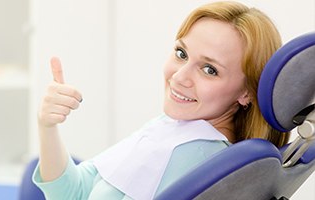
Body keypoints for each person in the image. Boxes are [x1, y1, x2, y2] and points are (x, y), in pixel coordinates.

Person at [33, 1, 291, 199]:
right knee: (34, 168)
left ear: (246, 92)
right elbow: (72, 191)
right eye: (181, 53)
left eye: (209, 70)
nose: (179, 77)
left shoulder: (194, 156)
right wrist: (47, 125)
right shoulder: (176, 129)